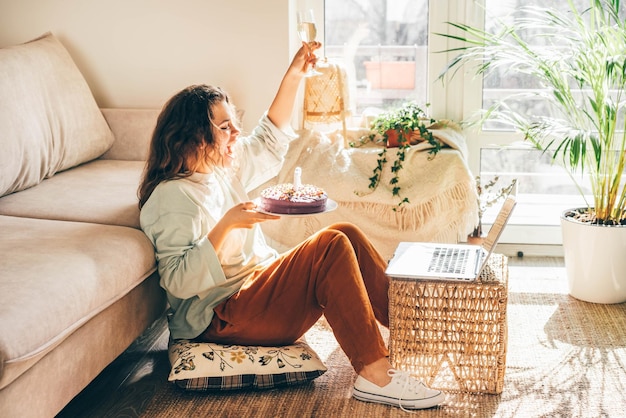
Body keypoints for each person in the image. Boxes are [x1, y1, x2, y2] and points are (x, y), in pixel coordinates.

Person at [137, 42, 445, 411]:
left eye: (234, 122)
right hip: (220, 318)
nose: (236, 131)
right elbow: (177, 281)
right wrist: (227, 226)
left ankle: (413, 330)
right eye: (224, 126)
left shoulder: (218, 170)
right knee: (330, 245)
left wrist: (295, 75)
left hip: (253, 296)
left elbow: (269, 138)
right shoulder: (172, 197)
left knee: (344, 232)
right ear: (192, 138)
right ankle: (374, 374)